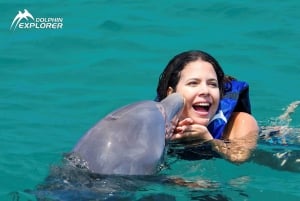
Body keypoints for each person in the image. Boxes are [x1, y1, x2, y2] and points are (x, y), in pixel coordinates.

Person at [155, 50, 259, 163]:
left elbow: (239, 158)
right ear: (171, 93)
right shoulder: (157, 124)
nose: (205, 91)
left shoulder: (240, 121)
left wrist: (208, 140)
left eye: (212, 84)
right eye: (193, 83)